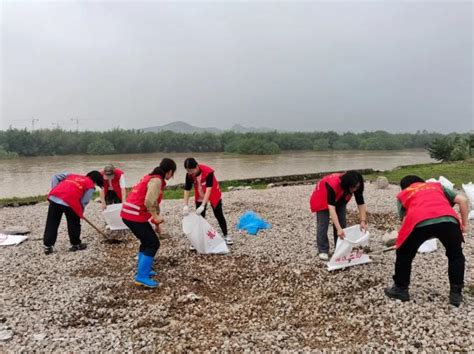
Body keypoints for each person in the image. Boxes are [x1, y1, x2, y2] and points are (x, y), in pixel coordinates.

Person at [384, 175, 469, 306]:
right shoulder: (437, 186)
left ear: (404, 187)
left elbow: (406, 221)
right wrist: (464, 225)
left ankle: (401, 289)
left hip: (418, 221)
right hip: (448, 221)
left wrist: (402, 241)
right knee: (456, 255)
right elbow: (462, 200)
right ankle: (456, 294)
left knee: (404, 254)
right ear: (421, 182)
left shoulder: (404, 194)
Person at [120, 158, 176, 288]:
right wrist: (156, 217)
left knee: (146, 241)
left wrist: (155, 222)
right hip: (134, 215)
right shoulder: (156, 181)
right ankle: (141, 276)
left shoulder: (151, 177)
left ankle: (143, 269)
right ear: (170, 171)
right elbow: (149, 202)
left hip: (127, 214)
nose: (172, 176)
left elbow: (154, 203)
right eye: (172, 173)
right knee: (153, 243)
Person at [309, 170, 367, 261]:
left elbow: (361, 203)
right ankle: (323, 250)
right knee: (323, 224)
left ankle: (339, 247)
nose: (355, 190)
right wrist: (338, 228)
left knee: (342, 222)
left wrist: (363, 221)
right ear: (347, 185)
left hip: (341, 196)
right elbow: (332, 208)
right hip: (322, 196)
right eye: (353, 188)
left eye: (357, 187)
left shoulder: (356, 185)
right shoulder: (332, 184)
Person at [43, 171, 104, 255]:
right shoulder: (90, 185)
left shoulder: (72, 175)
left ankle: (48, 246)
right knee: (74, 223)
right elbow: (84, 202)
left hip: (54, 198)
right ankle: (76, 244)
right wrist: (80, 212)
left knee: (52, 222)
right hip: (70, 202)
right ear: (96, 180)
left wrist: (55, 189)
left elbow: (55, 176)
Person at [182, 157, 233, 246]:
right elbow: (187, 189)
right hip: (200, 194)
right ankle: (199, 239)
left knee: (218, 214)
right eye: (188, 171)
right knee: (200, 217)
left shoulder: (208, 172)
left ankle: (226, 235)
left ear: (197, 166)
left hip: (213, 194)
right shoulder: (189, 175)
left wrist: (203, 205)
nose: (190, 173)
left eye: (191, 171)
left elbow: (209, 189)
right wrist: (185, 205)